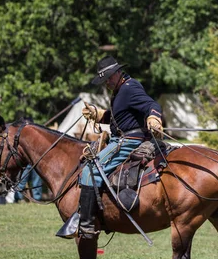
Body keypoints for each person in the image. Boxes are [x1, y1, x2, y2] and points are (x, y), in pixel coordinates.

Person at [60, 56, 164, 239]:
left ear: (117, 73)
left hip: (128, 141)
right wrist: (100, 115)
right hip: (122, 137)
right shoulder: (120, 89)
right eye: (104, 79)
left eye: (108, 77)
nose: (107, 82)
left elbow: (151, 105)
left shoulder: (130, 88)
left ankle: (85, 225)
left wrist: (154, 117)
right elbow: (123, 117)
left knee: (89, 171)